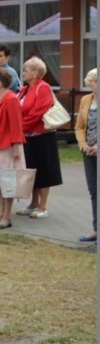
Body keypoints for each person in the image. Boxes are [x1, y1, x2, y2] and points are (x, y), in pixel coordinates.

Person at [16, 57, 62, 218]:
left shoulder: (43, 87)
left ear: (35, 72)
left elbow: (38, 113)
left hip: (42, 137)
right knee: (31, 171)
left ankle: (43, 206)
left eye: (26, 70)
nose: (23, 72)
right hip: (27, 136)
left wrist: (19, 127)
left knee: (44, 171)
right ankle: (33, 202)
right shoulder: (24, 89)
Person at [0, 66, 25, 229]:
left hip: (7, 147)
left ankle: (7, 216)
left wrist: (16, 147)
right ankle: (0, 213)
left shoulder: (10, 99)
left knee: (8, 182)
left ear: (0, 83)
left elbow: (16, 125)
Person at [75, 69, 97, 242]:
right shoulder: (85, 99)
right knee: (94, 192)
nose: (93, 85)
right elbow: (79, 127)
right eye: (92, 81)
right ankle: (96, 230)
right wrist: (84, 145)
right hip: (89, 152)